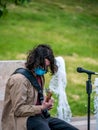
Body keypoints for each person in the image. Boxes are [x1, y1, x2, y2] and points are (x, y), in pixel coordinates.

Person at [1, 44, 79, 130]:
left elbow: (37, 100)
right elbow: (19, 110)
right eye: (43, 66)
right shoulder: (19, 80)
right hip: (22, 120)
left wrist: (46, 102)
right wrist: (42, 108)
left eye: (47, 67)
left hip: (39, 116)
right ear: (35, 61)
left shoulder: (39, 76)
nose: (45, 70)